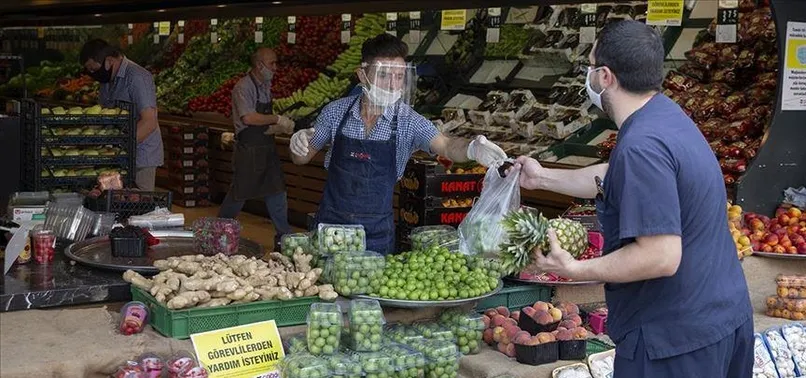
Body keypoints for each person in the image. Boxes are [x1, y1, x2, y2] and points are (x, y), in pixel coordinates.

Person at [513, 20, 753, 377]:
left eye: (591, 67)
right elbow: (615, 176)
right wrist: (543, 177)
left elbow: (660, 256)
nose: (588, 76)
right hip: (721, 320)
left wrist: (574, 270)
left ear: (606, 77)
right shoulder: (665, 117)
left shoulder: (641, 146)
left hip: (673, 342)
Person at [289, 34, 507, 255]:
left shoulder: (408, 121)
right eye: (383, 75)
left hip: (375, 234)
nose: (392, 85)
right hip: (330, 228)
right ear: (362, 75)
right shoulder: (335, 113)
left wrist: (472, 148)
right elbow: (302, 158)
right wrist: (298, 143)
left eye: (399, 76)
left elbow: (447, 145)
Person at [218, 48, 294, 249]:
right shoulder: (243, 87)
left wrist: (274, 128)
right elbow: (248, 118)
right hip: (249, 150)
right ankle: (218, 231)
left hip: (266, 148)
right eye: (272, 64)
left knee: (277, 191)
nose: (275, 68)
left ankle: (284, 237)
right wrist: (277, 118)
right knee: (239, 194)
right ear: (259, 65)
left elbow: (260, 121)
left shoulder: (265, 84)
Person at [80, 39, 163, 190]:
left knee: (138, 202)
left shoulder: (137, 77)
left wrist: (122, 147)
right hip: (117, 155)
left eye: (93, 69)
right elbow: (104, 113)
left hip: (140, 156)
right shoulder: (106, 81)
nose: (93, 74)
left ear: (109, 61)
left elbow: (149, 122)